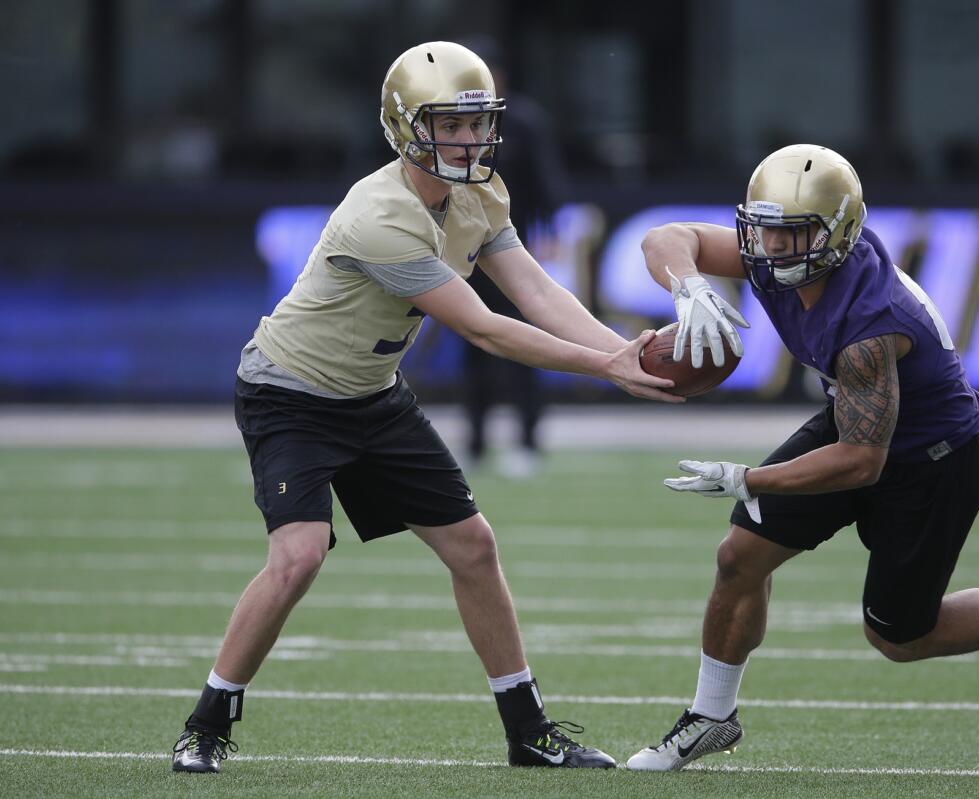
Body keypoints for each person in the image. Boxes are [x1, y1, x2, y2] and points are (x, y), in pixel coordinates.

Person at [170, 41, 679, 775]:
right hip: (291, 394)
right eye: (452, 125)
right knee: (300, 553)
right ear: (405, 126)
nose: (471, 141)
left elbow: (535, 291)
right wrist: (606, 366)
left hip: (373, 396)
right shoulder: (380, 214)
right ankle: (207, 721)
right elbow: (482, 325)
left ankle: (527, 729)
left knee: (475, 546)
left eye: (479, 124)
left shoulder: (482, 192)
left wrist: (621, 346)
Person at [624, 144, 979, 771]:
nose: (772, 249)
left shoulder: (870, 323)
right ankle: (711, 716)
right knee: (740, 555)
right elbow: (667, 236)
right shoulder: (778, 256)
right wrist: (689, 287)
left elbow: (860, 463)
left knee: (900, 637)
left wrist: (747, 477)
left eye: (791, 233)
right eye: (764, 229)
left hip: (931, 458)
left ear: (836, 233)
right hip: (857, 421)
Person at [457, 37, 567, 477]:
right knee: (473, 346)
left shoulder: (523, 122)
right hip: (465, 254)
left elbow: (548, 185)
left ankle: (526, 441)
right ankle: (476, 443)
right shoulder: (449, 123)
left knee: (525, 346)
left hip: (513, 252)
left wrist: (551, 234)